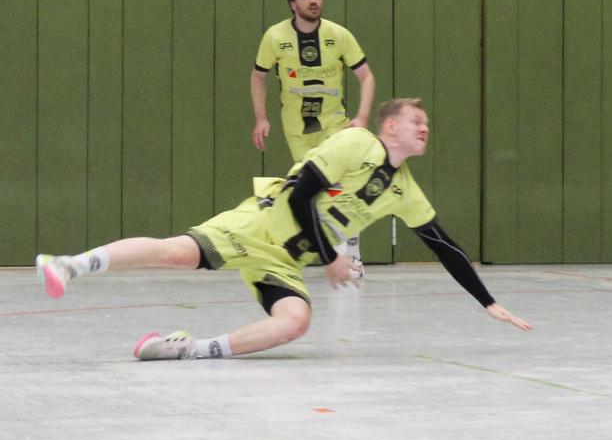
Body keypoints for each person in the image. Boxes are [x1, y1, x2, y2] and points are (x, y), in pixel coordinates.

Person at [35, 98, 531, 360]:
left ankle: (185, 349)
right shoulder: (357, 142)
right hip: (262, 223)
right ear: (389, 127)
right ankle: (71, 264)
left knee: (294, 322)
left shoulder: (404, 189)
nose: (424, 128)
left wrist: (487, 301)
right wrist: (332, 258)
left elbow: (445, 247)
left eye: (427, 124)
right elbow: (301, 194)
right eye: (415, 120)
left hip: (286, 259)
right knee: (177, 253)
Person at [252, 0, 376, 163]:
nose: (313, 1)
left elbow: (366, 76)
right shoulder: (275, 36)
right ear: (293, 4)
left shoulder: (339, 34)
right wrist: (261, 118)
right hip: (296, 129)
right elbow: (258, 76)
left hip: (334, 125)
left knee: (332, 175)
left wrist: (363, 117)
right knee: (309, 178)